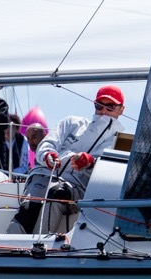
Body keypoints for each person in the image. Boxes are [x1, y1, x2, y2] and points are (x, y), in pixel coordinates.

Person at [11, 86, 127, 234]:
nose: (103, 111)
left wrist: (91, 162)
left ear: (121, 109)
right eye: (99, 106)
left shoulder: (120, 141)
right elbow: (47, 144)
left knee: (57, 193)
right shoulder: (71, 122)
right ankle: (9, 242)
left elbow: (110, 171)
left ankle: (39, 242)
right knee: (29, 208)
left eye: (110, 106)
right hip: (45, 174)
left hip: (76, 187)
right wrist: (48, 155)